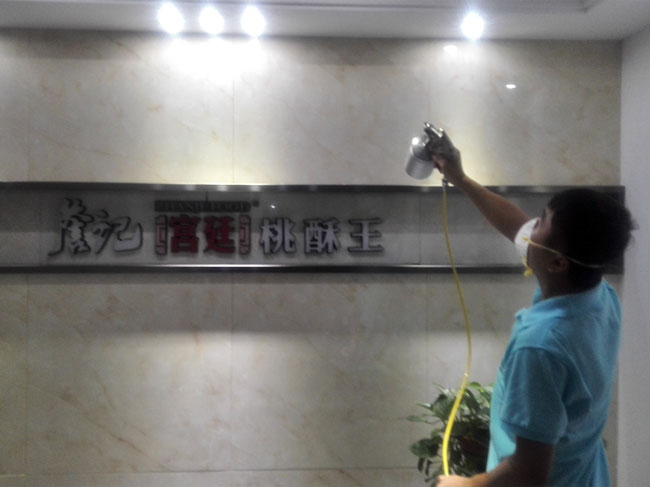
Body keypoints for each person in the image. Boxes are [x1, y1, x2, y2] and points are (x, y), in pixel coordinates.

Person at [432, 143, 633, 487]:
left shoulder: (541, 347)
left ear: (557, 263)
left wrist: (465, 484)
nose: (529, 228)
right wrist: (461, 179)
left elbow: (528, 473)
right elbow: (518, 228)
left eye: (540, 223)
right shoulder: (599, 297)